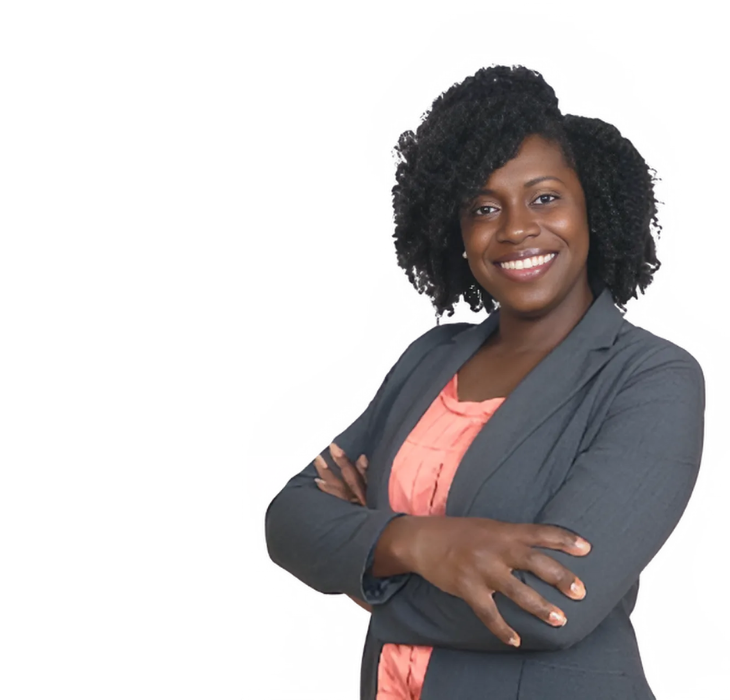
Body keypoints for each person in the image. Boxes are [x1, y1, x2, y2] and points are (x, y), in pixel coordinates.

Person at [265, 65, 706, 700]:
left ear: (594, 207)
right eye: (484, 207)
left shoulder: (649, 378)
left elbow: (544, 609)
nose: (516, 227)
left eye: (545, 197)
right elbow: (291, 520)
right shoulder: (430, 360)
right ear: (458, 232)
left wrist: (364, 563)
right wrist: (420, 542)